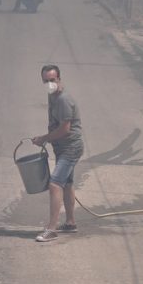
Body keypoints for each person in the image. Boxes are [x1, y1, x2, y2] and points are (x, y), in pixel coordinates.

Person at [31, 64, 84, 242]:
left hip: (71, 148)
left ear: (59, 79)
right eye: (45, 81)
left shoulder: (63, 99)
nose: (49, 84)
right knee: (67, 183)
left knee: (55, 184)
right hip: (62, 148)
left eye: (52, 80)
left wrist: (44, 138)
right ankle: (70, 223)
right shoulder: (52, 95)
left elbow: (65, 130)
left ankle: (51, 229)